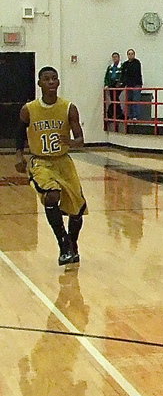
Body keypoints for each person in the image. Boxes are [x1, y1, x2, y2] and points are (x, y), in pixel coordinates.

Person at [16, 66, 86, 267]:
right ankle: (63, 245)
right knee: (52, 195)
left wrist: (73, 142)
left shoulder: (68, 107)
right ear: (39, 83)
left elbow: (80, 138)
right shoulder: (29, 109)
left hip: (63, 161)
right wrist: (19, 154)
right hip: (41, 162)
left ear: (58, 82)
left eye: (54, 78)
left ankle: (72, 244)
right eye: (46, 79)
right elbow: (19, 133)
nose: (51, 82)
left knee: (76, 210)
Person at [121, 48, 143, 121]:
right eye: (129, 54)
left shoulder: (137, 63)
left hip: (136, 84)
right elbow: (123, 74)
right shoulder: (125, 64)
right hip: (129, 85)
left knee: (135, 100)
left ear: (134, 55)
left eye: (132, 54)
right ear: (127, 55)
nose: (130, 55)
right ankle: (130, 116)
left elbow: (135, 73)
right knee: (129, 101)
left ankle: (135, 116)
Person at [103, 51, 124, 124]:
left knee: (115, 99)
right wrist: (106, 84)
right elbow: (106, 77)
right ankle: (117, 113)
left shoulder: (122, 66)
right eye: (113, 57)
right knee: (114, 99)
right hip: (111, 85)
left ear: (119, 57)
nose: (115, 58)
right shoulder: (110, 67)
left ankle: (112, 113)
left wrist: (120, 82)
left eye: (116, 57)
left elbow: (123, 75)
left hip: (118, 85)